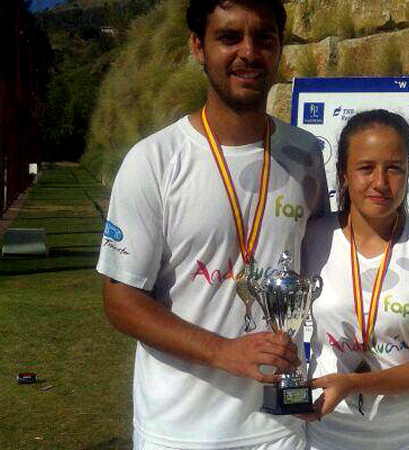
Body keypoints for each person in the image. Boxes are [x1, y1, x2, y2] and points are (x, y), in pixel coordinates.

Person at [97, 1, 328, 448]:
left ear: (279, 47)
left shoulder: (305, 155)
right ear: (198, 47)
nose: (249, 51)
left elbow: (319, 272)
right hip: (180, 430)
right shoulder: (155, 161)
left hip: (279, 429)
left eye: (264, 37)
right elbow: (121, 300)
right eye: (229, 37)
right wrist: (224, 352)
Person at [301, 110, 409, 450]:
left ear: (408, 172)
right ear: (343, 173)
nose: (380, 182)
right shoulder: (310, 238)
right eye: (366, 168)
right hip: (330, 432)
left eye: (394, 168)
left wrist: (352, 383)